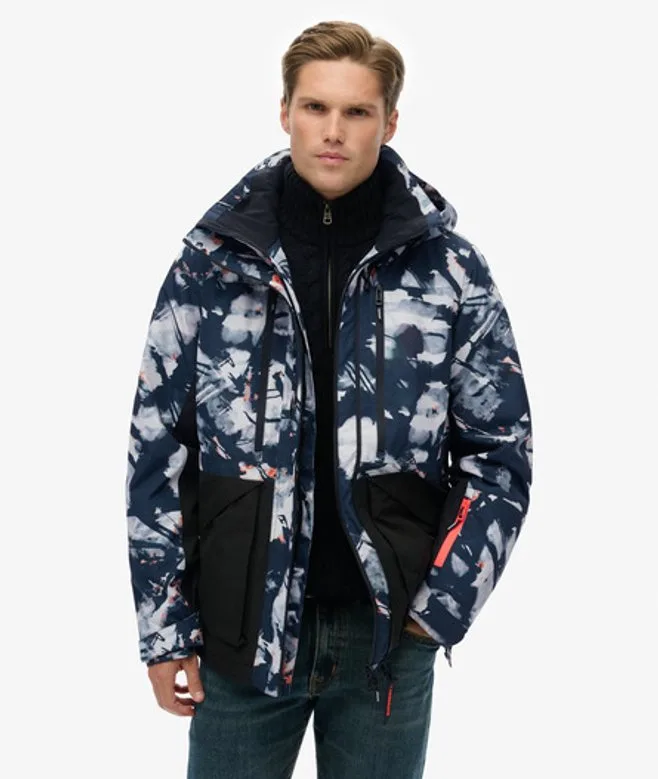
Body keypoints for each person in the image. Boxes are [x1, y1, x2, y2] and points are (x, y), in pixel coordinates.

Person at [125, 19, 532, 779]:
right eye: (315, 107)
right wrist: (164, 629)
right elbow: (158, 451)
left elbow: (500, 454)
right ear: (285, 112)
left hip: (386, 641)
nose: (333, 131)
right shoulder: (213, 264)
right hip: (241, 638)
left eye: (357, 111)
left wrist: (435, 612)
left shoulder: (449, 271)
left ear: (390, 121)